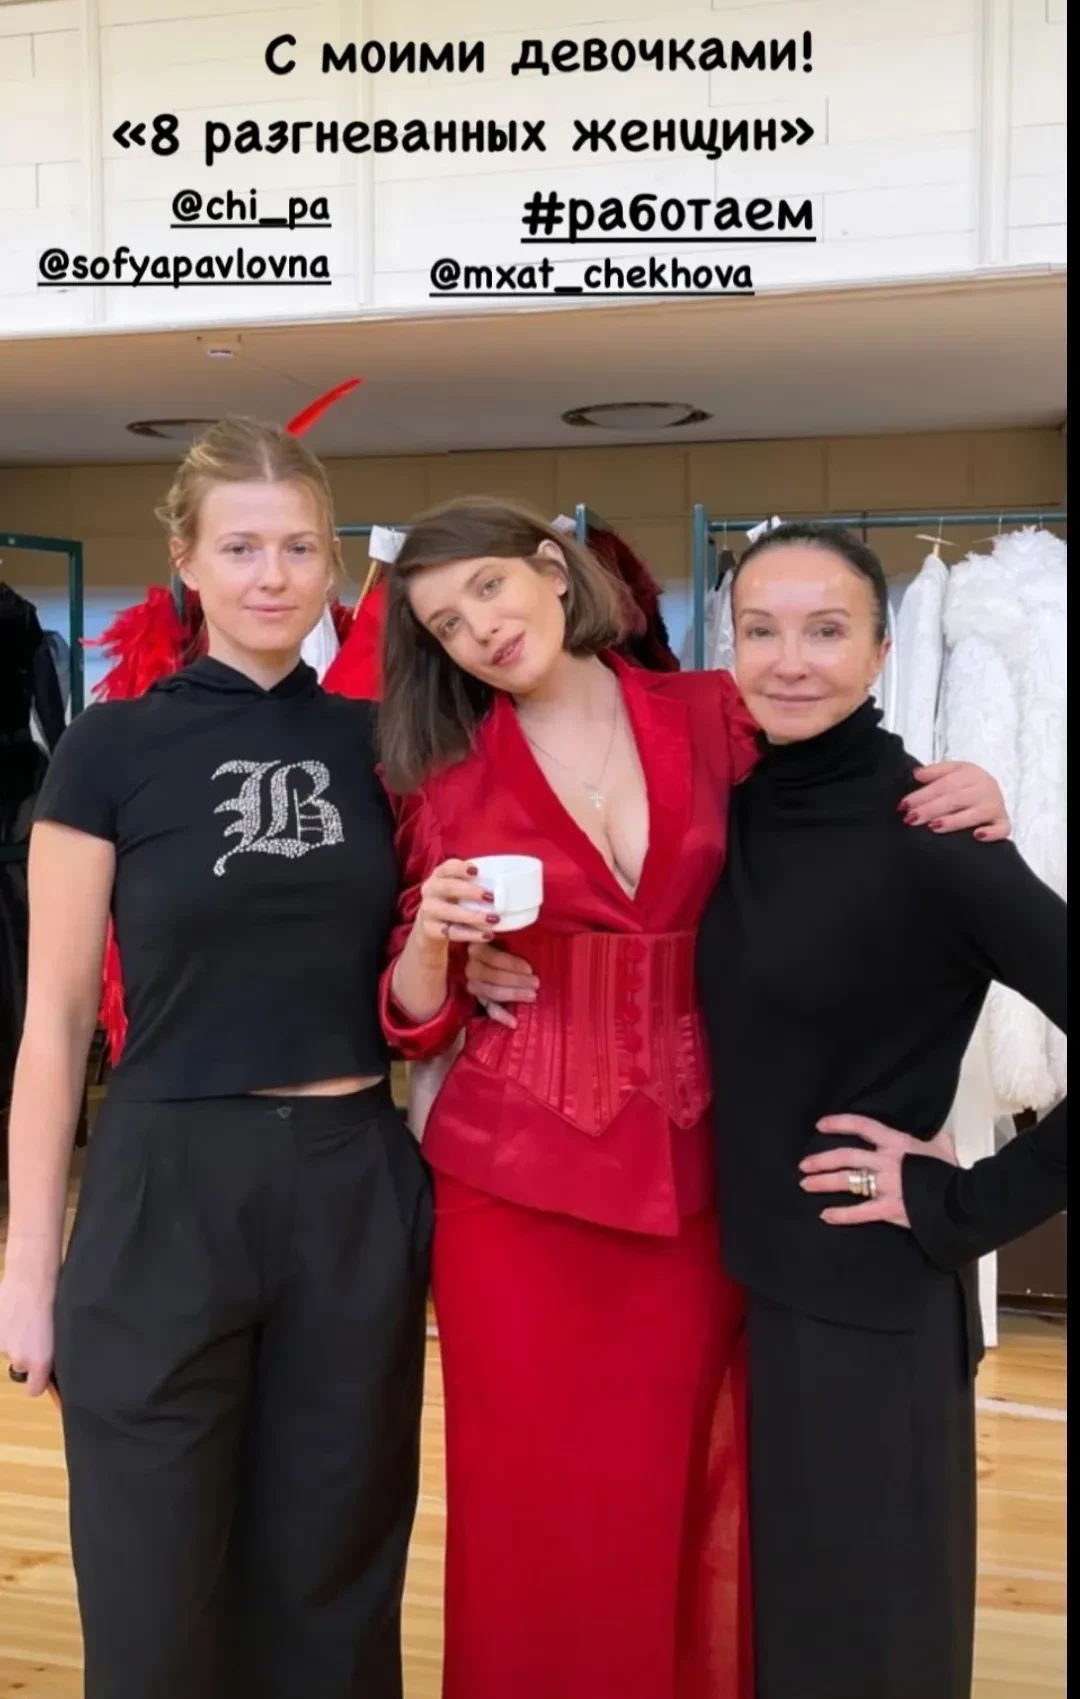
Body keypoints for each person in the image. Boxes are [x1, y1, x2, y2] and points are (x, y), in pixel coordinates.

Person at [371, 496, 1009, 1699]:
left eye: (491, 590)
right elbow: (413, 1014)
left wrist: (965, 784)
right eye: (447, 624)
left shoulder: (713, 712)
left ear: (553, 570)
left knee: (693, 1493)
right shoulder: (437, 773)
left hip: (710, 1177)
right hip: (512, 1194)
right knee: (531, 1513)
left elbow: (841, 802)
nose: (481, 629)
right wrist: (437, 945)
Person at [0, 416, 432, 1699]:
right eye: (240, 547)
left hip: (350, 1183)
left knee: (334, 1578)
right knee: (152, 1590)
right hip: (164, 1184)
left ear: (331, 559)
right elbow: (53, 1022)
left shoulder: (381, 743)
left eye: (298, 546)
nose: (272, 575)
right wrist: (27, 1266)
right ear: (185, 561)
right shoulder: (110, 749)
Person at [693, 521, 1066, 1699]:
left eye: (826, 630)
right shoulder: (723, 810)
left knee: (862, 1647)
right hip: (723, 1281)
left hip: (861, 1302)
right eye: (761, 629)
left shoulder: (934, 833)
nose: (790, 660)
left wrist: (959, 1202)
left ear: (881, 650)